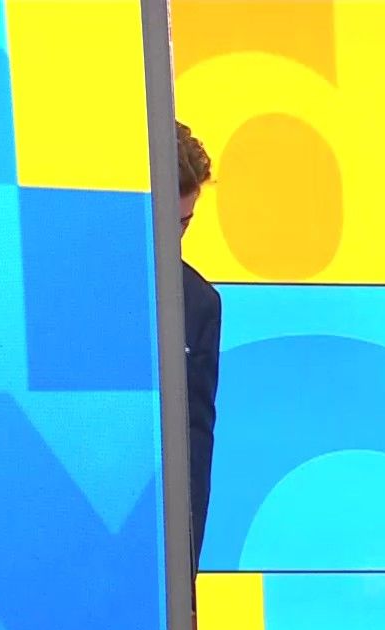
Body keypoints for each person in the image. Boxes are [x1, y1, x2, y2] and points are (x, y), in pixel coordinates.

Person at [177, 121, 221, 570]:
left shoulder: (199, 305)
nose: (172, 239)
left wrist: (185, 568)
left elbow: (196, 442)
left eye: (184, 224)